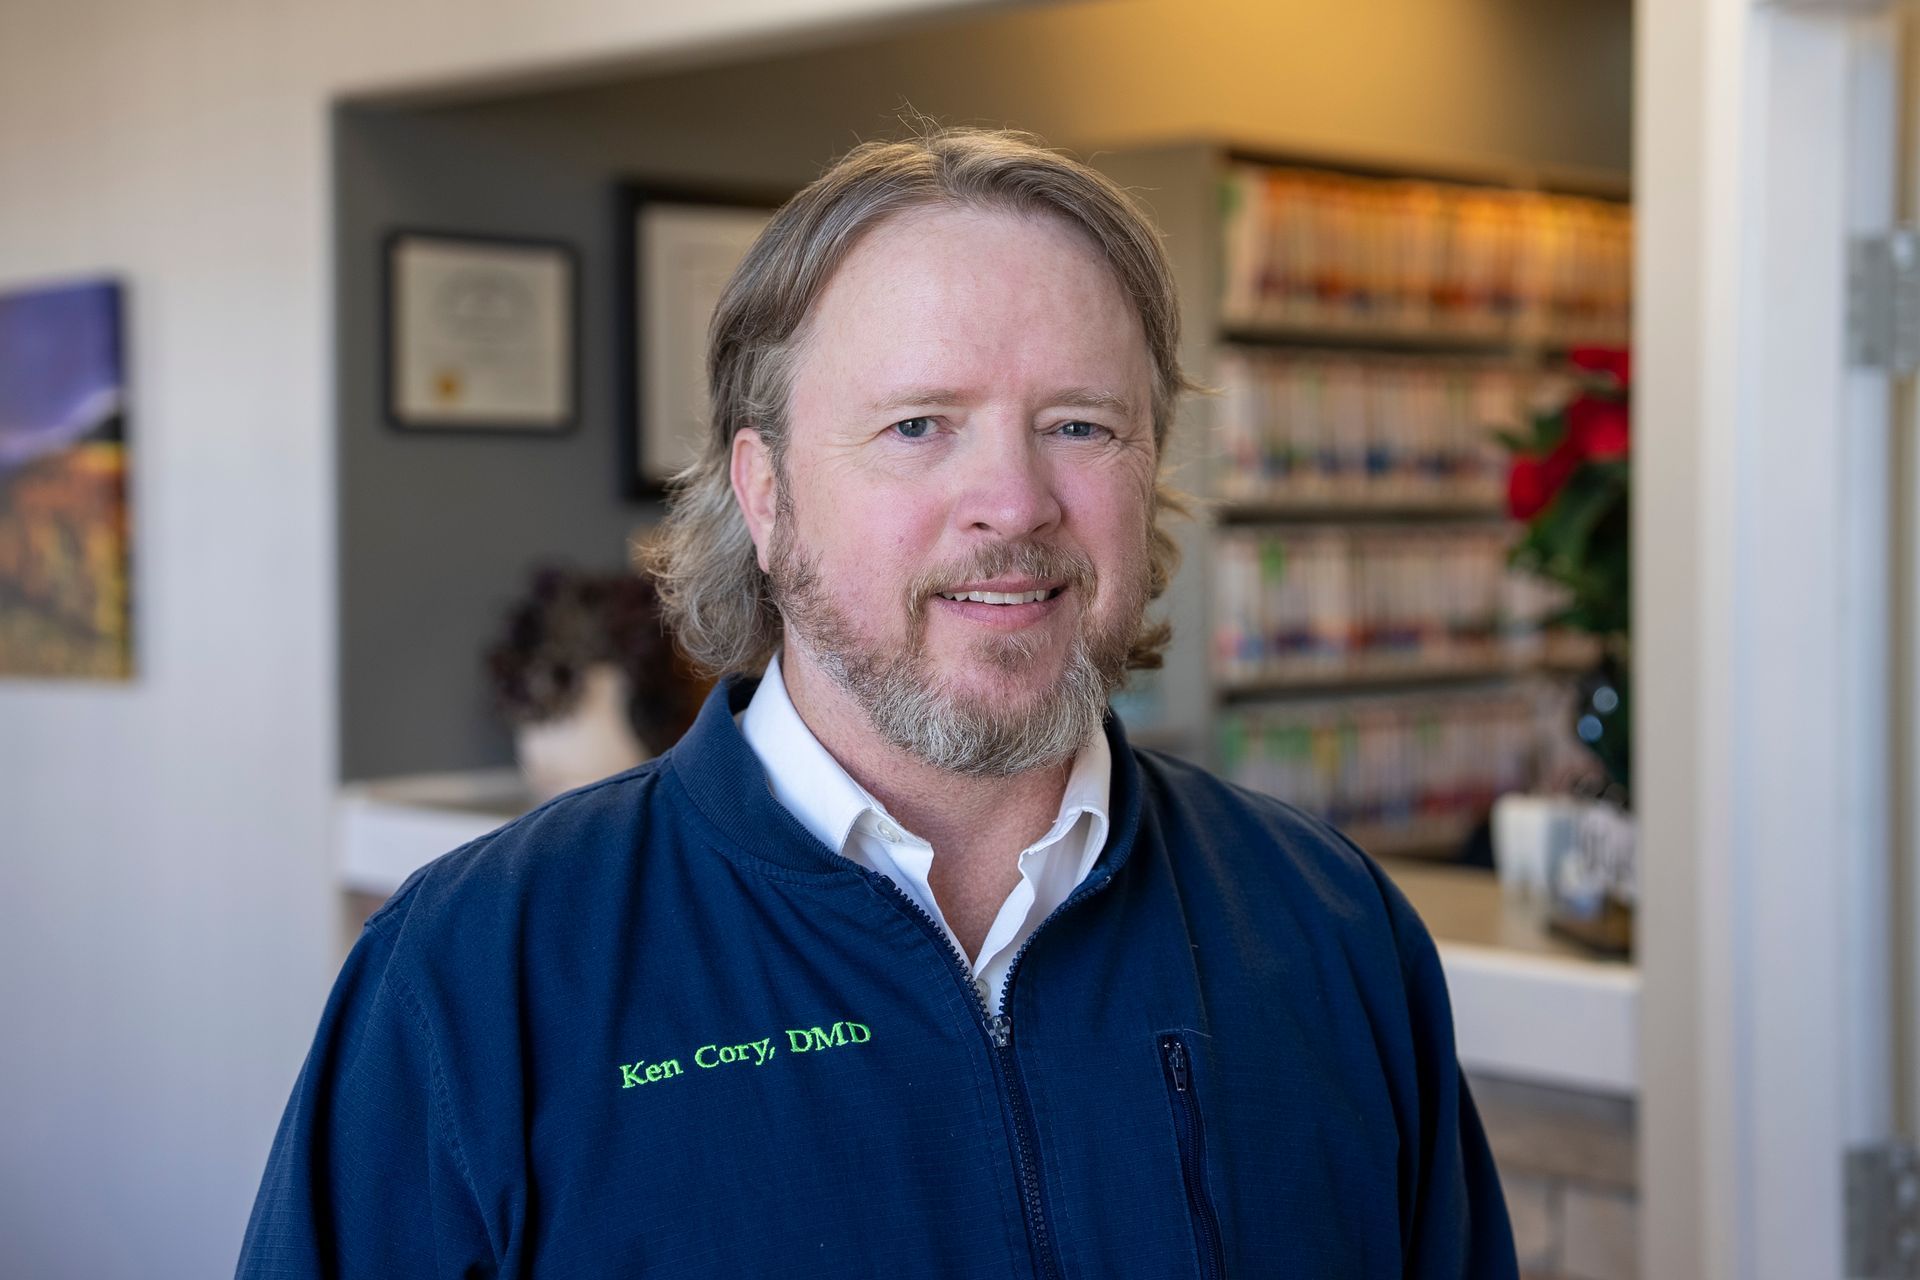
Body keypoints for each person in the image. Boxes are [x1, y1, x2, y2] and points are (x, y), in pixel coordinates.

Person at [237, 127, 1517, 1278]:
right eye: (919, 425)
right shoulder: (482, 971)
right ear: (765, 489)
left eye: (1080, 425)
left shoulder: (1332, 928)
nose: (1013, 501)